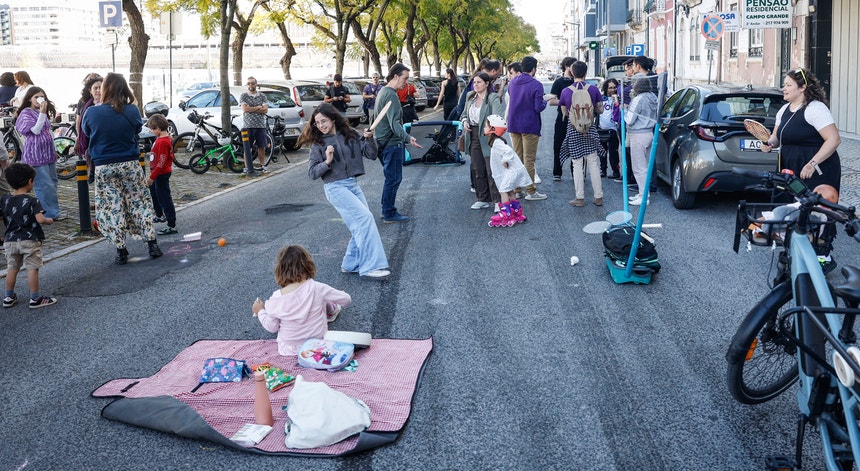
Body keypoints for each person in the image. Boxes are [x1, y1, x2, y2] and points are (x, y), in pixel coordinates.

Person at [301, 103, 391, 278]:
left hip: (352, 184)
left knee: (360, 225)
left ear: (333, 119)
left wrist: (369, 139)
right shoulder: (318, 144)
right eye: (317, 123)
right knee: (365, 219)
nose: (320, 125)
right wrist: (327, 161)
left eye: (323, 121)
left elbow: (371, 154)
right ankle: (370, 267)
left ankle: (350, 264)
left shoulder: (350, 134)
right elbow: (312, 173)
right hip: (335, 187)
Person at [81, 72, 163, 265]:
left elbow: (86, 132)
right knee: (139, 202)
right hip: (129, 163)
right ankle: (152, 243)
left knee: (112, 207)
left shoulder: (91, 112)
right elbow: (137, 130)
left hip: (104, 165)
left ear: (105, 89)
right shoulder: (132, 110)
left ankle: (121, 250)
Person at [251, 245, 353, 356]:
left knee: (320, 299)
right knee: (322, 298)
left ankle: (329, 309)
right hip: (317, 345)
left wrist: (260, 311)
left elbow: (272, 327)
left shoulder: (276, 297)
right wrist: (339, 293)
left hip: (289, 349)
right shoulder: (317, 287)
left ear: (280, 270)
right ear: (308, 266)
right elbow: (346, 300)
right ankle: (331, 310)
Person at [761, 67, 841, 201]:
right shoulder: (783, 110)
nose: (783, 89)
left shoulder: (815, 108)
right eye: (784, 85)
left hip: (815, 170)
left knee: (814, 209)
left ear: (802, 88)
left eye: (788, 85)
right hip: (789, 169)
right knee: (786, 208)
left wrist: (812, 164)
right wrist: (769, 143)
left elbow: (834, 139)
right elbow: (776, 138)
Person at [1, 162, 57, 309]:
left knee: (12, 268)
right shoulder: (33, 201)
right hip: (30, 240)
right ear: (30, 181)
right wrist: (49, 220)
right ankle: (35, 298)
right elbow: (40, 219)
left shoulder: (5, 199)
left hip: (10, 240)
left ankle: (8, 297)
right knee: (32, 268)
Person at [373, 63, 422, 223]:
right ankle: (388, 213)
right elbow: (394, 123)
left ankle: (386, 209)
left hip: (382, 143)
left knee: (390, 178)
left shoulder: (383, 92)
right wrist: (408, 138)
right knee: (393, 179)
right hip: (391, 144)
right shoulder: (391, 95)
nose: (406, 82)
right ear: (395, 76)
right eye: (405, 78)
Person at [559, 61, 605, 207]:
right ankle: (598, 197)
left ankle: (579, 198)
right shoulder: (593, 89)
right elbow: (600, 109)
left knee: (577, 163)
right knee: (593, 162)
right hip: (590, 128)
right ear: (586, 73)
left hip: (574, 129)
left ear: (572, 73)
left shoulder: (566, 91)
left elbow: (565, 112)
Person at [14, 87, 62, 220]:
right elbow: (35, 130)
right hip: (35, 154)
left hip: (48, 153)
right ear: (30, 98)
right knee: (44, 184)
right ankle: (50, 213)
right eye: (36, 97)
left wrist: (54, 150)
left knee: (53, 182)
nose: (39, 99)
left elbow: (48, 131)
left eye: (41, 97)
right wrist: (42, 113)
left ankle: (49, 209)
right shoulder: (26, 113)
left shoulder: (41, 113)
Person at [506, 56, 548, 201]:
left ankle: (517, 190)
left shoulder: (512, 83)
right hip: (530, 125)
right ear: (534, 69)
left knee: (517, 158)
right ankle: (531, 191)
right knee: (528, 160)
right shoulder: (536, 85)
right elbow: (538, 107)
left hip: (514, 124)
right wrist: (545, 101)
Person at [460, 72, 503, 210]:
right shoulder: (470, 96)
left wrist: (490, 129)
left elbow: (498, 116)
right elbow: (464, 113)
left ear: (487, 83)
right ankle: (482, 198)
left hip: (488, 135)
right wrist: (465, 121)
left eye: (479, 82)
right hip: (472, 135)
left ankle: (497, 201)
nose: (476, 85)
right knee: (477, 168)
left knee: (492, 170)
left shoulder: (492, 97)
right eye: (474, 82)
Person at [486, 115, 532, 227]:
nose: (484, 128)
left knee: (503, 190)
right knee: (510, 191)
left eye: (486, 126)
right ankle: (517, 212)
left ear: (493, 128)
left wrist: (505, 160)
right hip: (513, 171)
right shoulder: (497, 141)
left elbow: (508, 151)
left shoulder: (497, 142)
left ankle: (506, 214)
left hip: (512, 171)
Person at [625, 77, 658, 206]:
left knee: (639, 167)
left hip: (638, 134)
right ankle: (642, 194)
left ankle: (644, 197)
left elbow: (630, 119)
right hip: (649, 132)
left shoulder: (638, 99)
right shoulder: (653, 97)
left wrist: (625, 111)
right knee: (645, 167)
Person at [145, 114, 177, 235]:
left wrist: (152, 177)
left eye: (152, 129)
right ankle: (159, 214)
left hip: (160, 174)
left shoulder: (163, 142)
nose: (151, 131)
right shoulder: (160, 139)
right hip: (157, 173)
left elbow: (161, 162)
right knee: (154, 194)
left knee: (164, 198)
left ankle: (171, 224)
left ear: (158, 128)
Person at [548, 57, 576, 181]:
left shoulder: (578, 81)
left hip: (577, 118)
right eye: (573, 66)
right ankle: (557, 172)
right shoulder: (558, 82)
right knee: (558, 145)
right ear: (566, 66)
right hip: (562, 118)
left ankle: (576, 172)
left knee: (576, 145)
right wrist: (565, 101)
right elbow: (551, 101)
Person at [75, 75, 104, 183]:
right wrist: (78, 138)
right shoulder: (85, 104)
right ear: (90, 90)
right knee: (89, 153)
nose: (98, 91)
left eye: (101, 87)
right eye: (95, 88)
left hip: (103, 139)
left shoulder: (109, 103)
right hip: (89, 136)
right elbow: (79, 122)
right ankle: (92, 171)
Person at [240, 76, 269, 175]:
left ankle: (262, 165)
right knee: (247, 147)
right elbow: (245, 109)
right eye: (248, 83)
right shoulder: (244, 96)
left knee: (261, 146)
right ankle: (247, 166)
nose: (250, 85)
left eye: (252, 83)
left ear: (256, 84)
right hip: (248, 125)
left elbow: (265, 109)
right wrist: (258, 107)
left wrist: (251, 108)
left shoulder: (262, 96)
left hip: (260, 125)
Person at [599, 78, 622, 180]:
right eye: (610, 88)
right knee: (602, 152)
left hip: (613, 129)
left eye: (614, 87)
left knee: (613, 152)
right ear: (606, 88)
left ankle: (616, 171)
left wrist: (617, 101)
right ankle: (603, 170)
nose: (612, 90)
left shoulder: (619, 99)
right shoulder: (601, 98)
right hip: (602, 128)